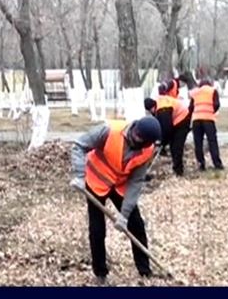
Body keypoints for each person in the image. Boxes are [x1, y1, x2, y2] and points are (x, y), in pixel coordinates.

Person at [69, 116, 162, 284]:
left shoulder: (147, 150)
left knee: (137, 225)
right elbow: (79, 145)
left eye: (141, 139)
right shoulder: (110, 130)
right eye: (136, 134)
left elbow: (136, 182)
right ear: (134, 127)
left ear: (147, 143)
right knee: (97, 230)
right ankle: (100, 273)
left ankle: (144, 270)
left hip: (119, 185)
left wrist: (124, 215)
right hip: (94, 180)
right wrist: (79, 175)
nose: (136, 138)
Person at [146, 84, 192, 176]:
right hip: (176, 119)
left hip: (183, 119)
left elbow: (167, 128)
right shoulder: (159, 105)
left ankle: (179, 171)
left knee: (177, 145)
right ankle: (176, 168)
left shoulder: (163, 109)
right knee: (172, 145)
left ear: (151, 108)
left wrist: (163, 141)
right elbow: (162, 126)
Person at [189, 77, 224, 171]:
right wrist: (211, 111)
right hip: (208, 119)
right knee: (212, 141)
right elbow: (217, 104)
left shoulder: (195, 92)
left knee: (198, 143)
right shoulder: (212, 91)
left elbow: (190, 107)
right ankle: (217, 164)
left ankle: (201, 164)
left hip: (196, 120)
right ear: (209, 83)